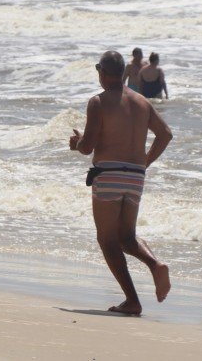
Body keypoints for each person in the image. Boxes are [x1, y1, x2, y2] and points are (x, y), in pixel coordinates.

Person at [70, 51, 172, 315]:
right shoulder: (141, 102)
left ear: (103, 73)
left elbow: (88, 146)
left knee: (107, 241)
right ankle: (155, 264)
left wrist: (77, 144)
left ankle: (132, 300)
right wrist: (144, 163)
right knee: (126, 238)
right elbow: (165, 134)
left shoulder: (98, 102)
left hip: (109, 174)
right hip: (135, 175)